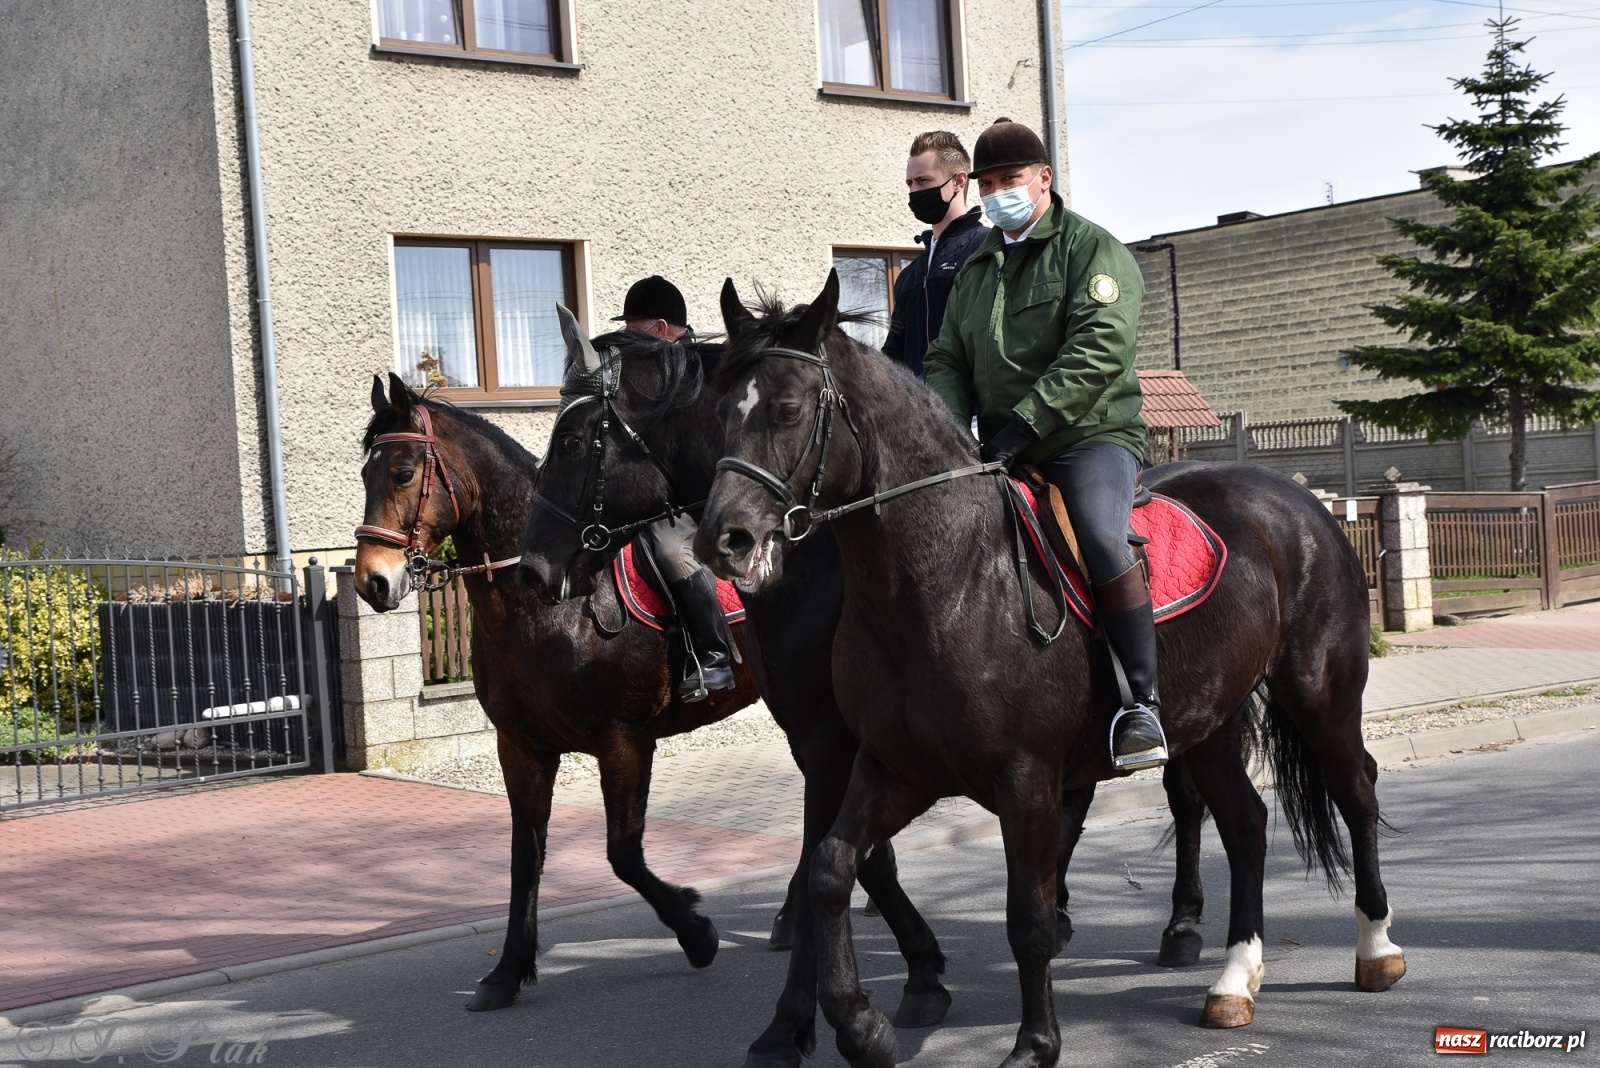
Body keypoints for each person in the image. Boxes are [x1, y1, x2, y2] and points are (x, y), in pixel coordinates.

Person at [921, 119, 1167, 772]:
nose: (999, 192)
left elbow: (1099, 350)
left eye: (1011, 180)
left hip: (1087, 438)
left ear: (1043, 179)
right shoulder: (977, 268)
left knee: (1098, 535)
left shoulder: (1093, 251)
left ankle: (1142, 702)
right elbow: (946, 356)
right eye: (989, 183)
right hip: (1002, 448)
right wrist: (945, 437)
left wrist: (1025, 425)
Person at [613, 276, 737, 701]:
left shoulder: (704, 373)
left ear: (662, 328)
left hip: (698, 503)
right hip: (647, 494)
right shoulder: (641, 376)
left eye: (636, 328)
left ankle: (713, 655)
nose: (628, 337)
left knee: (670, 549)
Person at [883, 131, 989, 377]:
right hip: (916, 412)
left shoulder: (986, 248)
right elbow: (893, 356)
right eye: (910, 183)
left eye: (923, 181)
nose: (914, 192)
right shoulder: (910, 274)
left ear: (959, 181)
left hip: (970, 412)